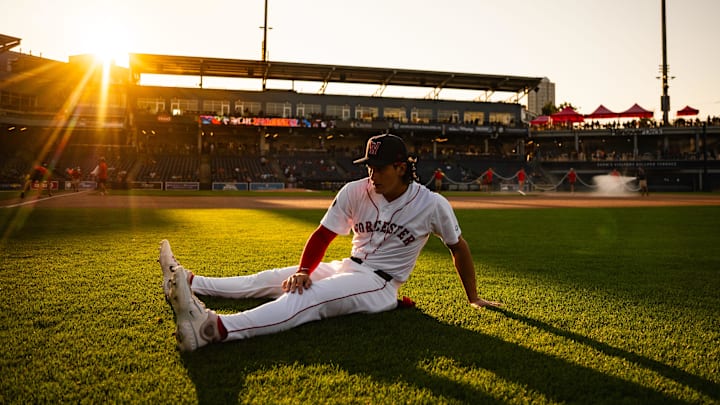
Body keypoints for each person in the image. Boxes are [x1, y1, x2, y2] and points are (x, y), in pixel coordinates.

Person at [158, 133, 502, 352]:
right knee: (272, 278)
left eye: (379, 168)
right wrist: (306, 269)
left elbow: (459, 247)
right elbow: (324, 234)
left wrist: (473, 298)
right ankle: (187, 281)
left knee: (307, 298)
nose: (371, 174)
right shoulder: (356, 190)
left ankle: (214, 329)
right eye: (368, 166)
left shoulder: (432, 204)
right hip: (348, 266)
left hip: (380, 285)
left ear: (400, 167)